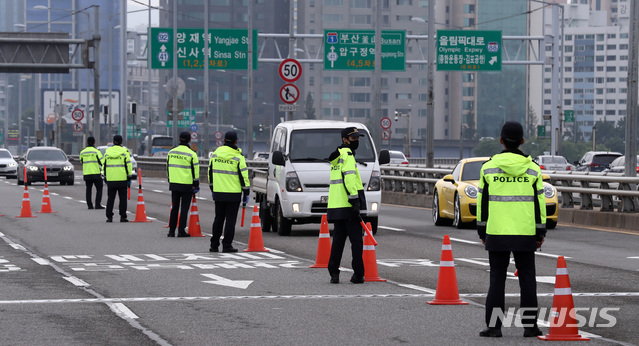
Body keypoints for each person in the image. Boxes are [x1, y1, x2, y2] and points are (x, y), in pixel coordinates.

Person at [476, 121, 546, 338]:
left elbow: (482, 203)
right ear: (522, 141)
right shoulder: (534, 169)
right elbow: (540, 204)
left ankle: (494, 327)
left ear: (501, 141)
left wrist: (482, 231)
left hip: (496, 233)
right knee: (527, 279)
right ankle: (530, 326)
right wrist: (540, 233)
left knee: (497, 279)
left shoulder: (488, 167)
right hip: (525, 233)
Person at [326, 127, 366, 284]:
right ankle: (358, 274)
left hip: (337, 205)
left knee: (338, 241)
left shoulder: (337, 156)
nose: (357, 141)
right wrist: (355, 200)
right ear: (345, 139)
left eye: (357, 138)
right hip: (349, 205)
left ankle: (334, 273)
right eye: (353, 138)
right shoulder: (348, 155)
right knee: (356, 241)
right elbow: (349, 179)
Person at [208, 131, 250, 253]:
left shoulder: (215, 154)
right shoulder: (238, 157)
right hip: (233, 194)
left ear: (224, 140)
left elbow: (210, 173)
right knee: (230, 221)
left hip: (219, 192)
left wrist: (212, 188)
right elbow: (244, 176)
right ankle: (227, 245)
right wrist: (246, 192)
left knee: (218, 219)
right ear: (236, 141)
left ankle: (214, 245)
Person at [166, 131, 200, 237]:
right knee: (184, 209)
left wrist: (170, 180)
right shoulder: (192, 154)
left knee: (174, 208)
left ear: (179, 139)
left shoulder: (171, 152)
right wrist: (196, 184)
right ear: (190, 140)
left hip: (174, 183)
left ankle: (171, 231)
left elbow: (167, 167)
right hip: (187, 185)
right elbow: (196, 171)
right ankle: (181, 231)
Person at [102, 134, 132, 223]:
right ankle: (123, 217)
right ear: (121, 142)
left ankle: (109, 217)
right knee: (123, 199)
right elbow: (129, 165)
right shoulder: (124, 151)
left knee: (110, 198)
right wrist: (129, 176)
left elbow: (104, 165)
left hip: (111, 179)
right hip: (122, 179)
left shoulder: (108, 152)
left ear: (113, 141)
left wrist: (105, 176)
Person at [79, 136, 104, 210]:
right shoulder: (96, 151)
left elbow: (81, 161)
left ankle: (89, 205)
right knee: (99, 189)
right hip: (96, 173)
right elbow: (102, 162)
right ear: (94, 142)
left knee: (88, 189)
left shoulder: (82, 152)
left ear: (87, 142)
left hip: (87, 173)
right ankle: (97, 204)